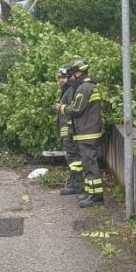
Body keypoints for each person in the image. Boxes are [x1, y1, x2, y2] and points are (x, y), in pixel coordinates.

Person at [55, 58, 103, 208]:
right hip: (85, 132)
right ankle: (90, 193)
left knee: (90, 164)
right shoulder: (86, 86)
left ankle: (96, 197)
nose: (70, 78)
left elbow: (76, 110)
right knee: (88, 165)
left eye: (71, 74)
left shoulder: (84, 88)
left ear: (77, 73)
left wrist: (60, 108)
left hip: (87, 132)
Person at [56, 65, 83, 195]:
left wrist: (67, 133)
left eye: (64, 77)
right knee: (71, 156)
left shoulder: (72, 90)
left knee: (74, 157)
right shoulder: (67, 90)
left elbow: (72, 111)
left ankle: (76, 184)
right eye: (60, 77)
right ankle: (75, 181)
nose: (61, 80)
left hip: (71, 130)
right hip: (67, 130)